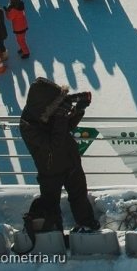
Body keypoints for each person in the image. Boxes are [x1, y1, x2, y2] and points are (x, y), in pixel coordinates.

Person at [20, 77, 100, 233]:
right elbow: (53, 145)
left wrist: (78, 110)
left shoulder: (45, 111)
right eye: (56, 103)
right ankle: (53, 232)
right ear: (46, 104)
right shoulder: (28, 125)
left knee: (80, 197)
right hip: (50, 170)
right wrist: (61, 117)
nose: (59, 106)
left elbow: (65, 127)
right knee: (51, 204)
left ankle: (87, 225)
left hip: (70, 162)